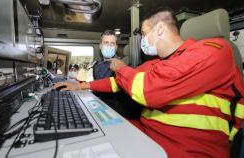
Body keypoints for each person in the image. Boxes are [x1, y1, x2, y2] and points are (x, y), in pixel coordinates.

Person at [53, 7, 244, 158]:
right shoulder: (156, 63)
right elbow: (117, 83)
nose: (143, 41)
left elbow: (147, 90)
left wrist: (120, 67)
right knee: (88, 138)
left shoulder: (215, 51)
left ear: (160, 29)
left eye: (144, 34)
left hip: (189, 149)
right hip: (148, 134)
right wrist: (81, 86)